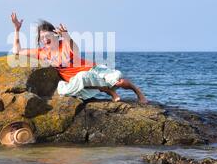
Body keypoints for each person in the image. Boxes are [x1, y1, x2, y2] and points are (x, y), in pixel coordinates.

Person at [10, 12, 148, 103]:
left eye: (48, 36)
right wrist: (17, 29)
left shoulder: (64, 44)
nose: (45, 39)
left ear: (55, 35)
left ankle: (138, 92)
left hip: (93, 69)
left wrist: (66, 34)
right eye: (42, 38)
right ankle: (111, 92)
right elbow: (17, 51)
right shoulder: (41, 52)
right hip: (78, 79)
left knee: (120, 82)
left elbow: (74, 50)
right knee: (79, 80)